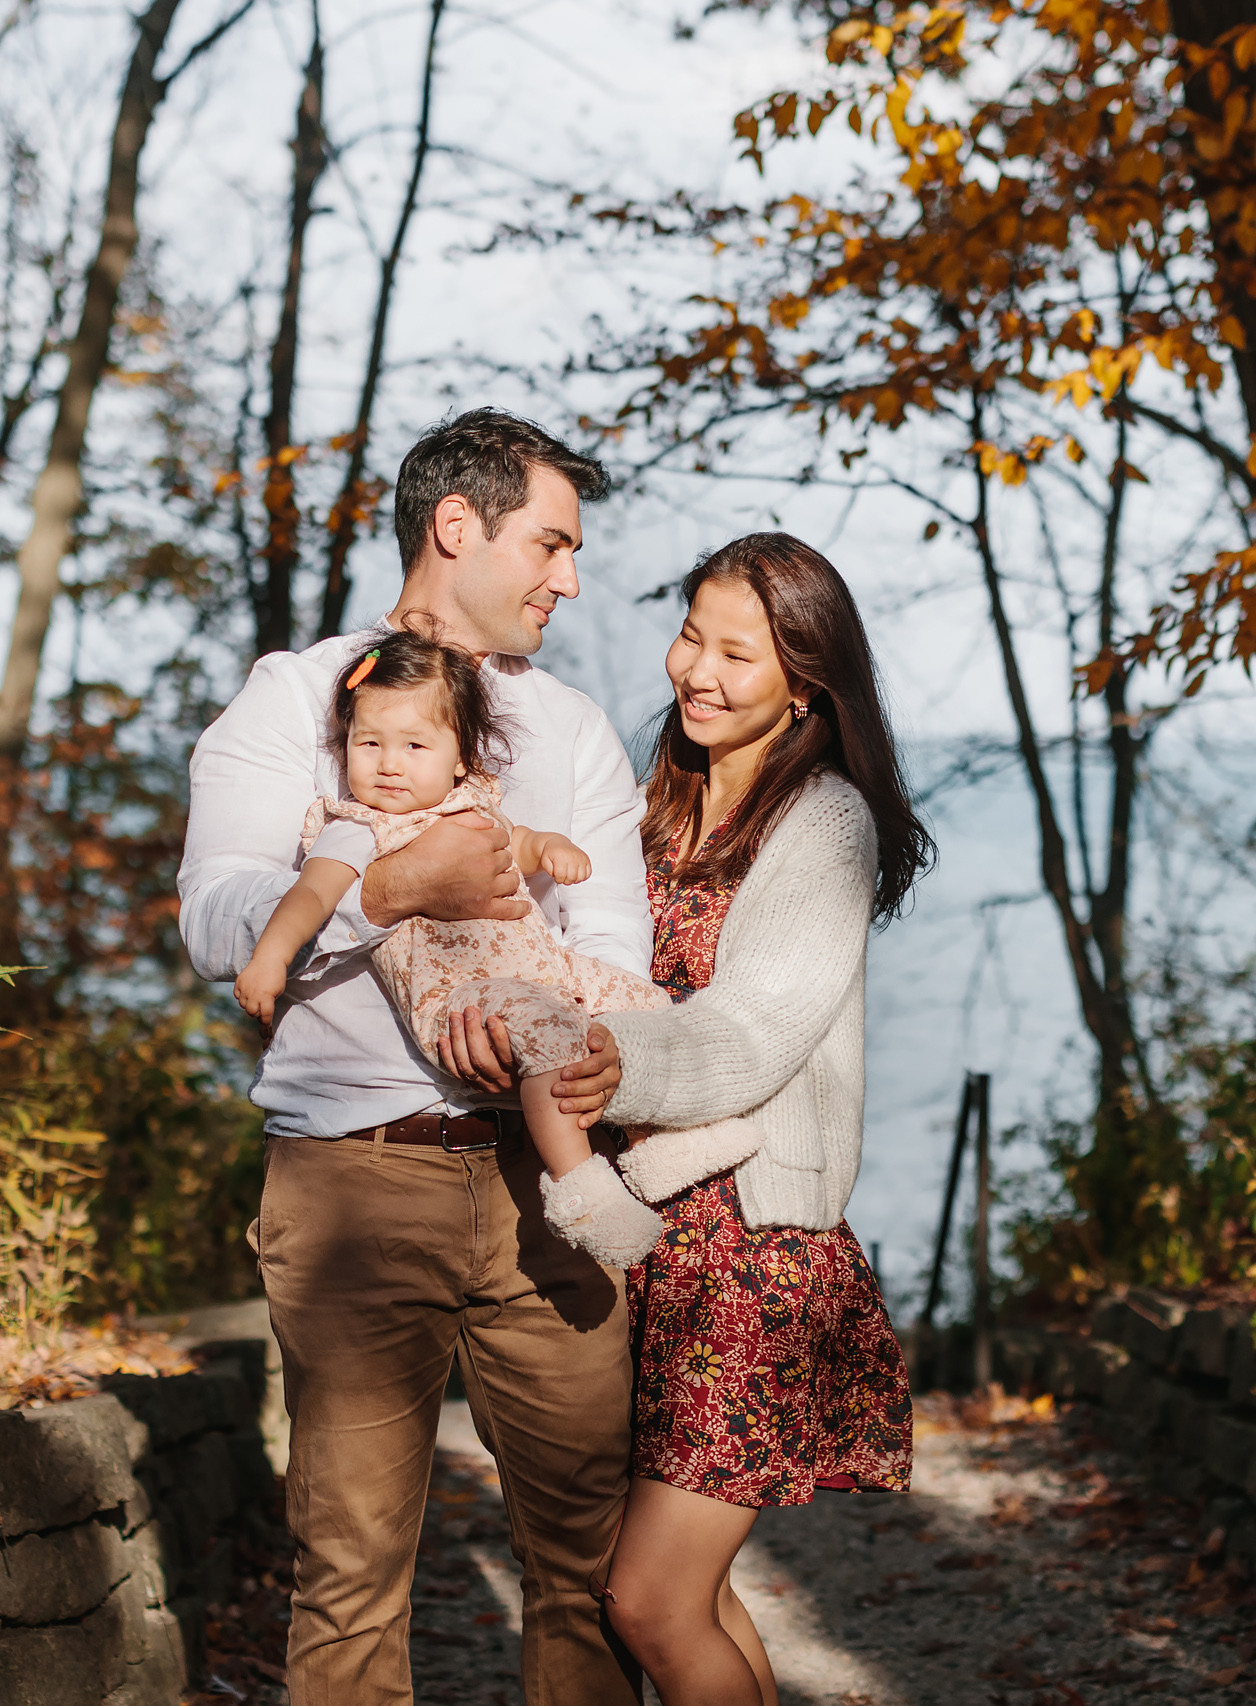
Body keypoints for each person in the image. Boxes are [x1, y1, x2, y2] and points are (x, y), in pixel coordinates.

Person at [177, 408, 647, 1706]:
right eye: (551, 543)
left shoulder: (577, 732)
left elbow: (611, 942)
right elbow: (218, 916)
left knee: (588, 1568)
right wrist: (388, 887)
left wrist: (605, 1061)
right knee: (350, 1573)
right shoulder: (298, 698)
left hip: (548, 1186)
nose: (568, 576)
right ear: (458, 527)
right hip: (354, 1186)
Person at [535, 532, 931, 1706]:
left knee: (649, 1598)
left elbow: (754, 1030)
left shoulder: (825, 822)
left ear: (805, 680)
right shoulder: (658, 798)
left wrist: (607, 1062)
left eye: (737, 653)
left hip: (755, 1254)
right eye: (692, 635)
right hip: (650, 1240)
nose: (696, 670)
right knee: (691, 1595)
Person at [234, 627, 765, 1265]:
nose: (388, 763)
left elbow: (521, 842)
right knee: (548, 1032)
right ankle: (582, 1189)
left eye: (414, 745)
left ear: (460, 757)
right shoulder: (358, 828)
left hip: (543, 968)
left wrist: (550, 850)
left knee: (638, 1000)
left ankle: (661, 1145)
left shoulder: (473, 804)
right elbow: (310, 899)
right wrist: (269, 961)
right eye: (367, 743)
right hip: (460, 998)